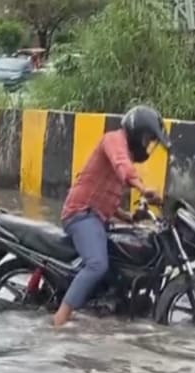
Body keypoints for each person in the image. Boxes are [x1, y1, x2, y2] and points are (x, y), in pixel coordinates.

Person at [53, 105, 171, 327]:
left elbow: (105, 196)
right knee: (97, 265)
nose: (147, 145)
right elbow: (121, 166)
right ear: (137, 131)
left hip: (96, 217)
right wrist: (143, 188)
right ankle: (59, 320)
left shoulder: (124, 150)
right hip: (81, 214)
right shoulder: (114, 140)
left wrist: (129, 218)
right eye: (147, 139)